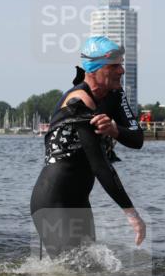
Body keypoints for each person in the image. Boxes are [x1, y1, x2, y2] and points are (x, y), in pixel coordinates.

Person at [30, 36, 146, 257]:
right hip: (54, 199)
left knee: (87, 271)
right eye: (114, 66)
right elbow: (99, 165)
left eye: (121, 64)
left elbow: (137, 139)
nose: (121, 71)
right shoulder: (79, 101)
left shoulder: (115, 94)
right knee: (68, 270)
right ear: (94, 69)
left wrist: (114, 129)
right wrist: (132, 215)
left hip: (79, 199)